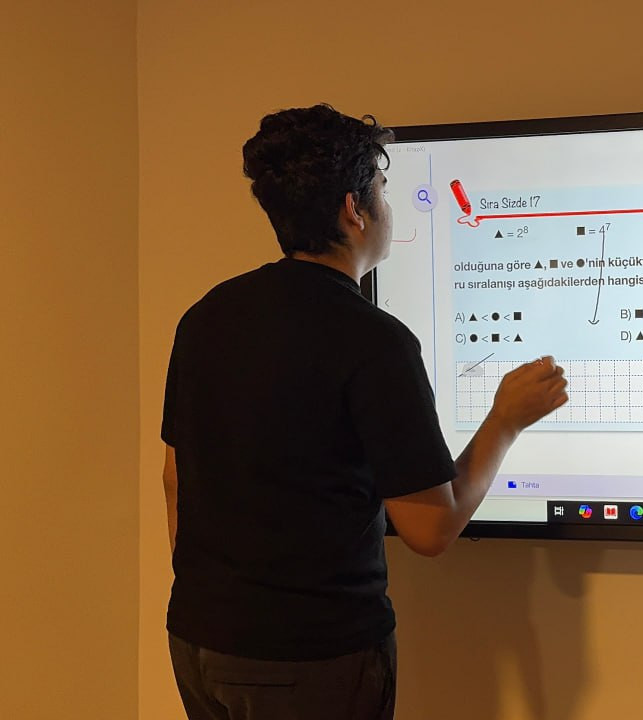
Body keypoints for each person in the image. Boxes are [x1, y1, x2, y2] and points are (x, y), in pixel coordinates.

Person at [160, 104, 568, 720]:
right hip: (311, 658)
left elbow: (175, 478)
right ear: (354, 209)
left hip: (198, 641)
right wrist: (505, 420)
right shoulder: (374, 340)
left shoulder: (207, 316)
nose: (388, 205)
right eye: (382, 187)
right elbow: (429, 530)